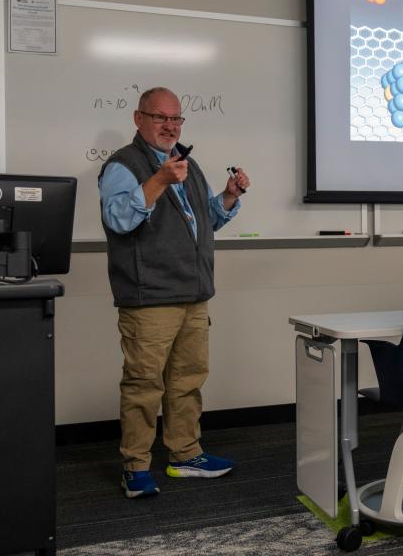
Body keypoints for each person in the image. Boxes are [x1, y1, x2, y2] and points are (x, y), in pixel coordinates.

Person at [99, 87, 251, 499]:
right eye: (160, 117)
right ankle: (136, 467)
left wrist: (230, 197)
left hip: (193, 294)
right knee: (144, 386)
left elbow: (205, 221)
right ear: (138, 118)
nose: (170, 126)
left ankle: (184, 455)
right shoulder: (122, 166)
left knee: (187, 381)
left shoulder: (188, 164)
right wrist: (160, 180)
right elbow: (117, 220)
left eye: (176, 119)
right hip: (150, 298)